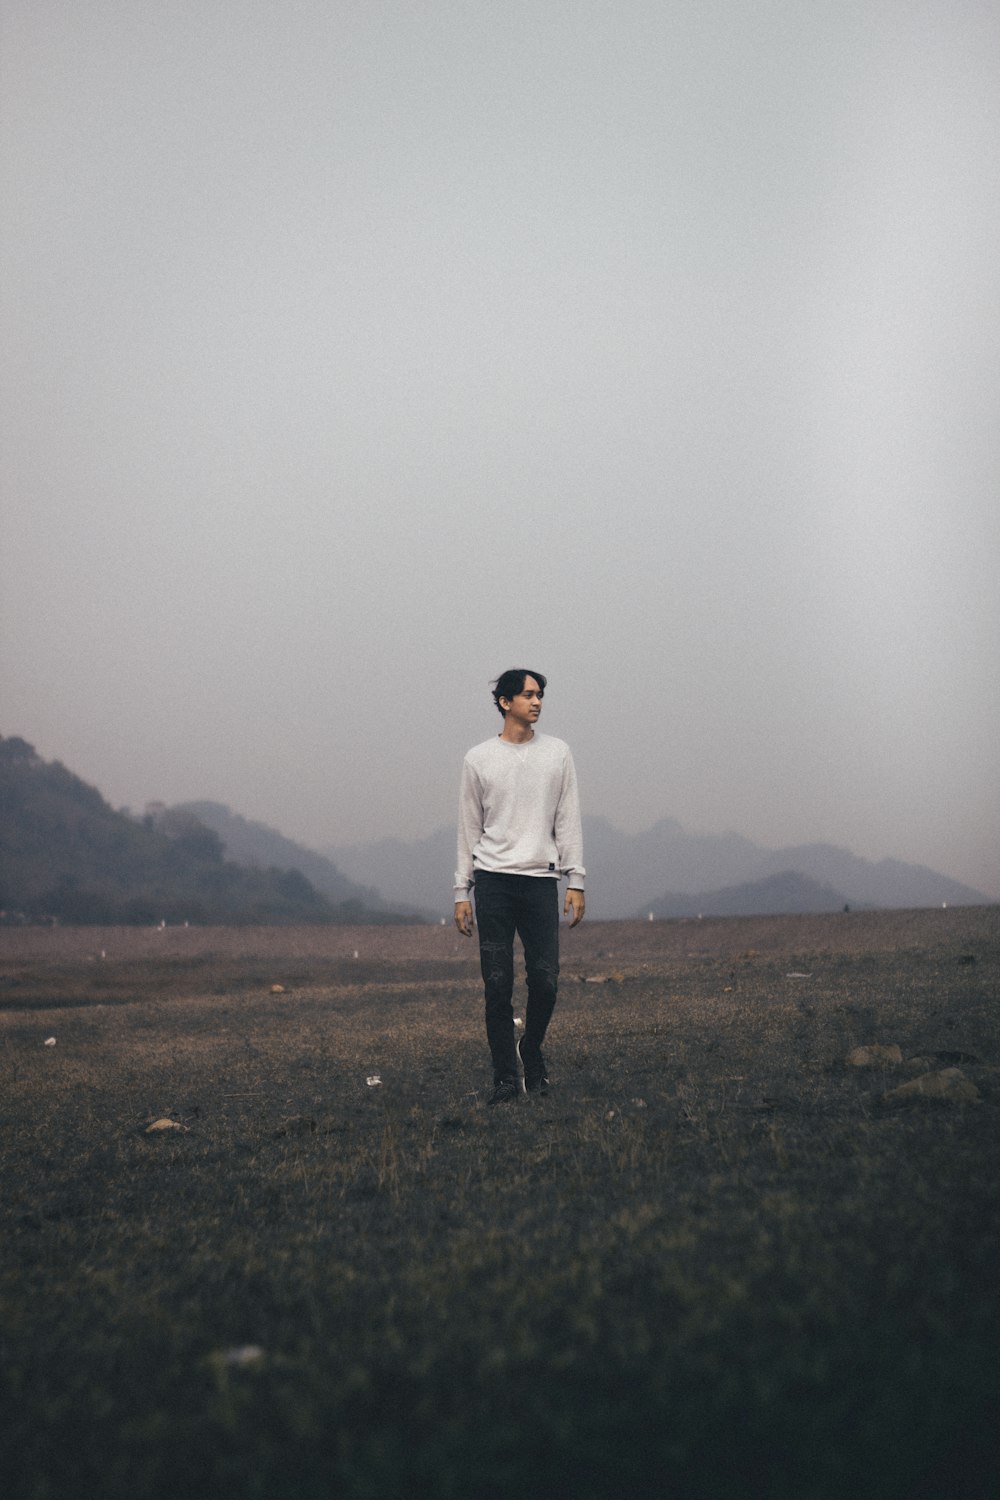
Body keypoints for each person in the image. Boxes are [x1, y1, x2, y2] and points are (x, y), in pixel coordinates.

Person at [454, 669, 585, 1106]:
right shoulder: (478, 758)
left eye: (541, 694)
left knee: (546, 981)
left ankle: (531, 1049)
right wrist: (461, 891)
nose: (538, 701)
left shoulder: (558, 753)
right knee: (497, 983)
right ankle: (505, 1079)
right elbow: (468, 829)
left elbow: (567, 818)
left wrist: (575, 879)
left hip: (540, 881)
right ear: (505, 702)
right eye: (529, 694)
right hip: (492, 881)